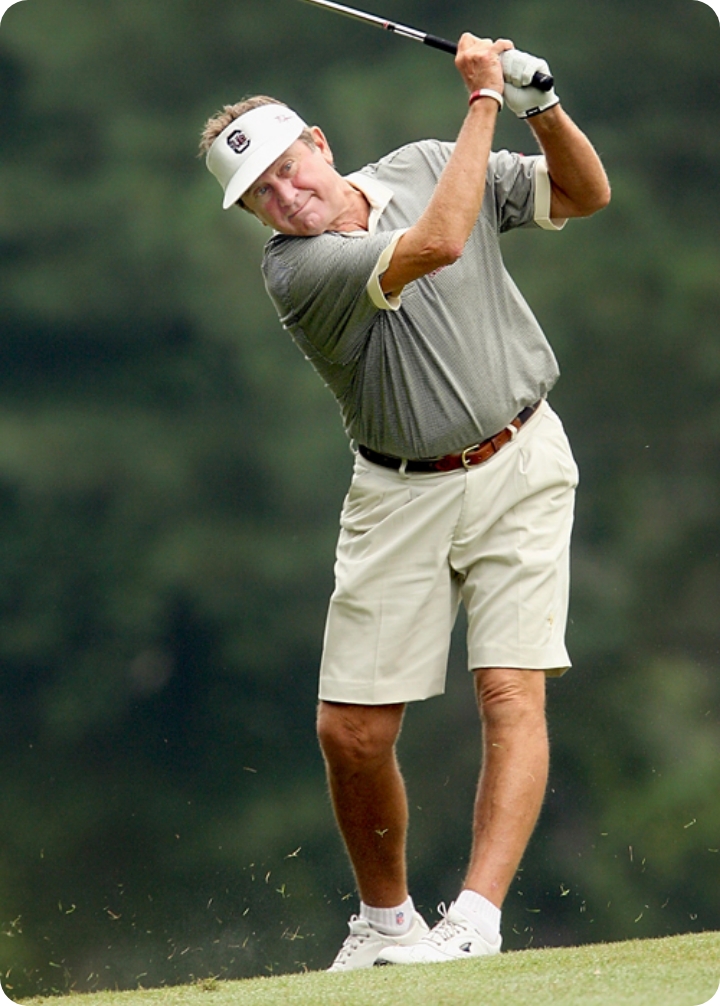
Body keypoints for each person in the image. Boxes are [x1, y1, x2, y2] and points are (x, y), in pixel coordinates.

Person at [200, 34, 610, 971]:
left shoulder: (427, 162)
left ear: (318, 141)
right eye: (260, 194)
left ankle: (475, 922)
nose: (285, 196)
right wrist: (484, 100)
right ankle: (387, 923)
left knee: (509, 688)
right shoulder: (296, 269)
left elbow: (583, 194)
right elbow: (437, 242)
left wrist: (542, 105)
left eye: (288, 168)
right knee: (350, 733)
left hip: (521, 457)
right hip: (398, 491)